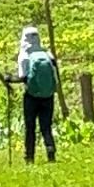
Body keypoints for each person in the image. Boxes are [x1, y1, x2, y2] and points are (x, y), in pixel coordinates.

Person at [12, 24, 60, 163]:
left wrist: (9, 79)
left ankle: (29, 156)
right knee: (46, 126)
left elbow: (23, 77)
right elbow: (55, 76)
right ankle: (50, 151)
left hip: (31, 96)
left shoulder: (24, 56)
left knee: (30, 127)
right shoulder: (47, 54)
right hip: (48, 96)